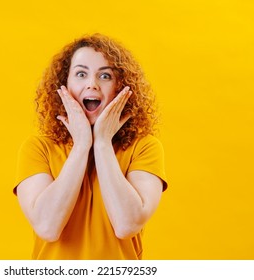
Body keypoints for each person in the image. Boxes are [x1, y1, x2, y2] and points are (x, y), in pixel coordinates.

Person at [13, 34, 168, 260]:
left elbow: (127, 224)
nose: (92, 84)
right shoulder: (37, 148)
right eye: (81, 74)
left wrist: (103, 143)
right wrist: (82, 146)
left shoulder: (145, 148)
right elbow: (47, 226)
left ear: (120, 87)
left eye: (105, 75)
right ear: (64, 85)